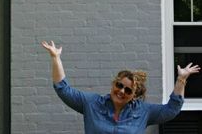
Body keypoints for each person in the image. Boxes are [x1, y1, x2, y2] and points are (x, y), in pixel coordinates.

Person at [42, 40, 200, 134]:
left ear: (134, 96)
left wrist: (181, 80)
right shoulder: (92, 103)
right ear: (114, 84)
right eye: (119, 85)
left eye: (128, 90)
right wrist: (56, 58)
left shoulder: (143, 111)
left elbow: (171, 109)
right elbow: (63, 89)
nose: (121, 91)